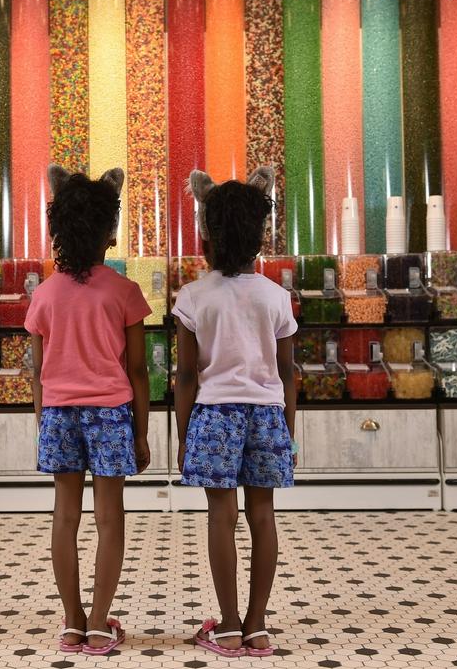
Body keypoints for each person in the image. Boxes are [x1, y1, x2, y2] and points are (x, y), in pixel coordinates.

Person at [24, 164, 152, 656]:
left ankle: (73, 622)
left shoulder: (44, 294)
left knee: (65, 518)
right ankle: (100, 623)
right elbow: (137, 371)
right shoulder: (124, 292)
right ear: (109, 232)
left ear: (58, 231)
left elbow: (37, 372)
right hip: (110, 414)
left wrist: (44, 422)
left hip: (59, 414)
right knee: (109, 519)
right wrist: (141, 434)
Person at [172, 166, 298, 658]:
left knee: (220, 518)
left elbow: (186, 376)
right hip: (267, 415)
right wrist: (288, 433)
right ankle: (257, 626)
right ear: (259, 236)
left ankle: (226, 626)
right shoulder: (276, 296)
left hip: (214, 416)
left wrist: (184, 434)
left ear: (207, 234)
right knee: (263, 516)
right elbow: (287, 374)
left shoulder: (194, 297)